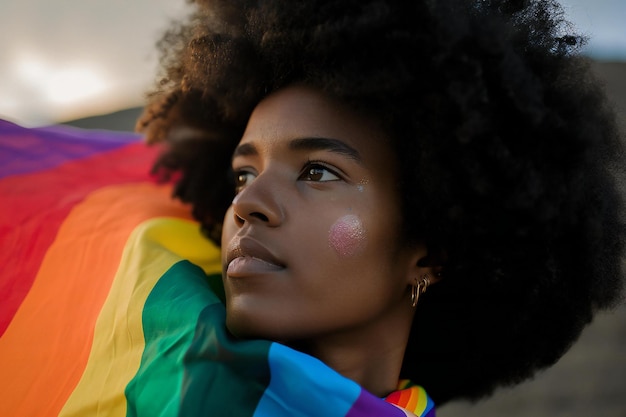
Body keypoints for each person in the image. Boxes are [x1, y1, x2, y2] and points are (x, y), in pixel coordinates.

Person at [136, 0, 625, 413]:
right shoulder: (135, 390)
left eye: (317, 171)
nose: (246, 202)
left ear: (429, 255)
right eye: (244, 173)